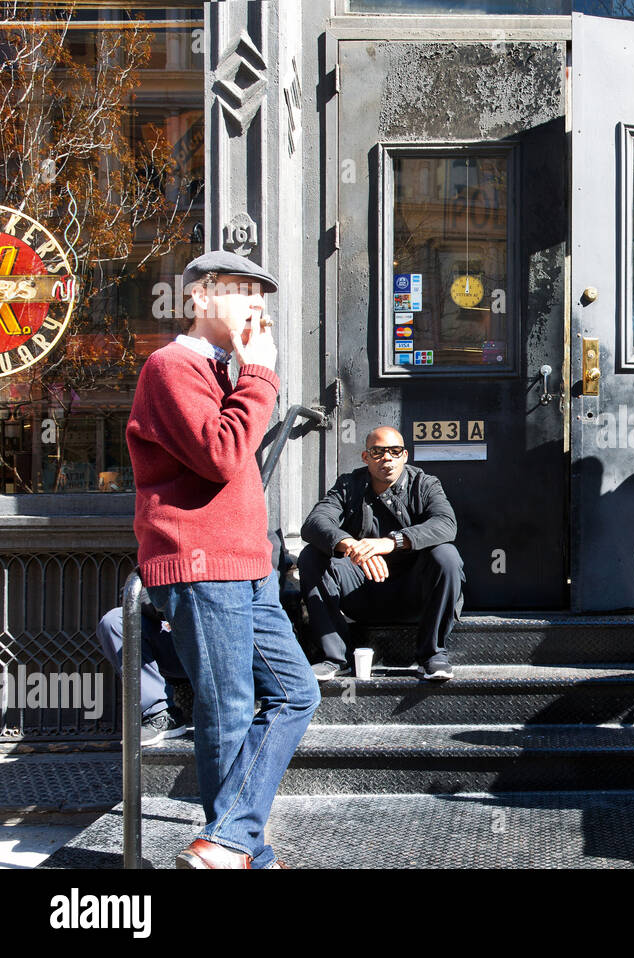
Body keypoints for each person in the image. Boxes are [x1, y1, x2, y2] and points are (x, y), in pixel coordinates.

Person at [127, 250, 319, 869]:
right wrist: (261, 377)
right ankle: (239, 850)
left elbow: (229, 459)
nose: (257, 305)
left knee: (296, 692)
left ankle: (233, 843)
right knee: (228, 709)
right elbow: (220, 452)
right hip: (199, 561)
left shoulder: (223, 370)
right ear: (201, 295)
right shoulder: (171, 367)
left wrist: (248, 375)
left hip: (246, 562)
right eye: (243, 291)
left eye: (263, 295)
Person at [299, 426, 463, 681]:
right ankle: (334, 658)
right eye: (377, 452)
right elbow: (314, 523)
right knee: (311, 555)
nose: (387, 458)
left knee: (447, 556)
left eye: (394, 451)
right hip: (362, 592)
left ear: (405, 455)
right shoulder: (348, 485)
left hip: (414, 594)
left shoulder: (425, 484)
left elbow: (445, 523)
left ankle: (433, 656)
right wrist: (353, 546)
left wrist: (390, 542)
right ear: (366, 457)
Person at [95, 605, 191, 747]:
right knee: (116, 620)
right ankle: (159, 713)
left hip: (219, 637)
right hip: (176, 638)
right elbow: (137, 594)